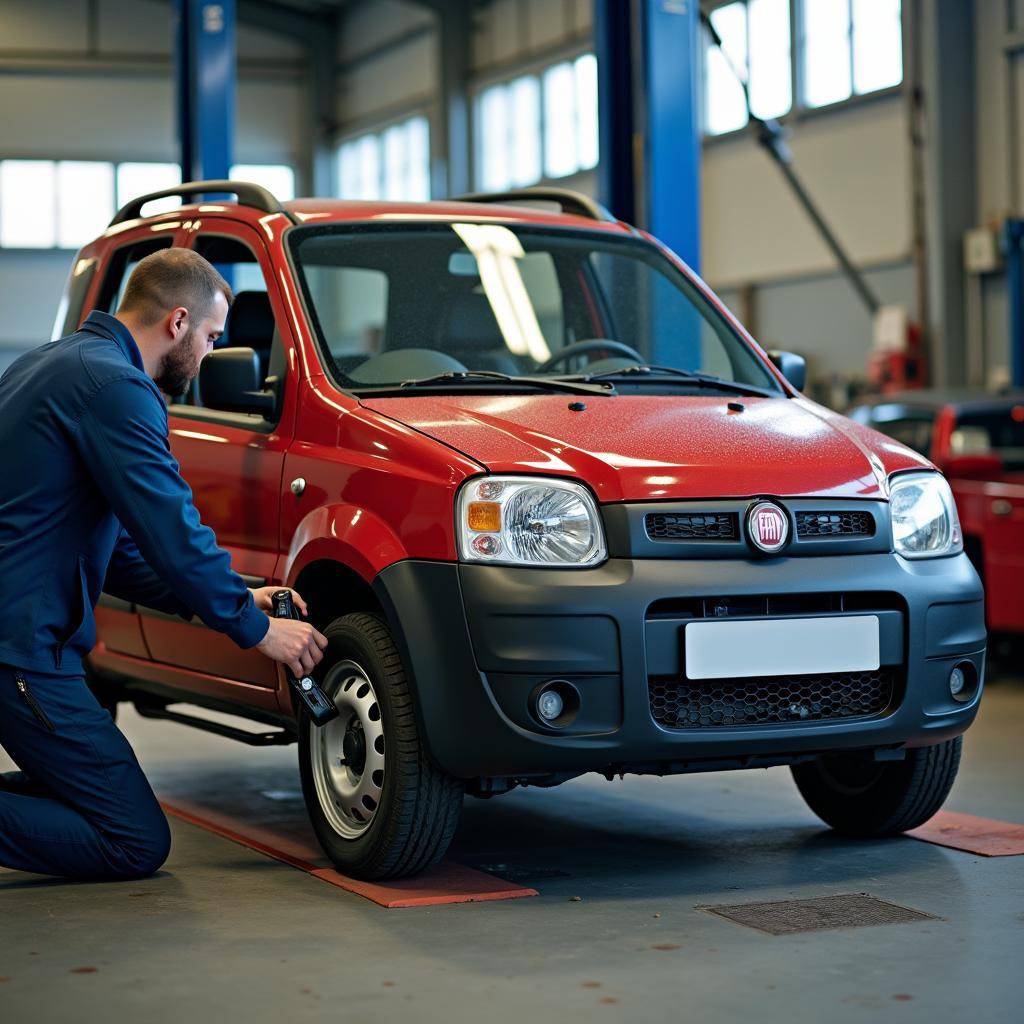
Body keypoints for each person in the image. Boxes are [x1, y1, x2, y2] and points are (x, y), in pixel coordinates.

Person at [0, 248, 327, 881]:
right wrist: (254, 629)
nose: (208, 355)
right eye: (210, 337)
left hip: (21, 638)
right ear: (177, 322)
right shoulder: (119, 389)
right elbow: (171, 528)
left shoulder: (49, 364)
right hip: (22, 650)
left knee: (94, 800)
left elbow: (123, 551)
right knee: (132, 839)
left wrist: (237, 595)